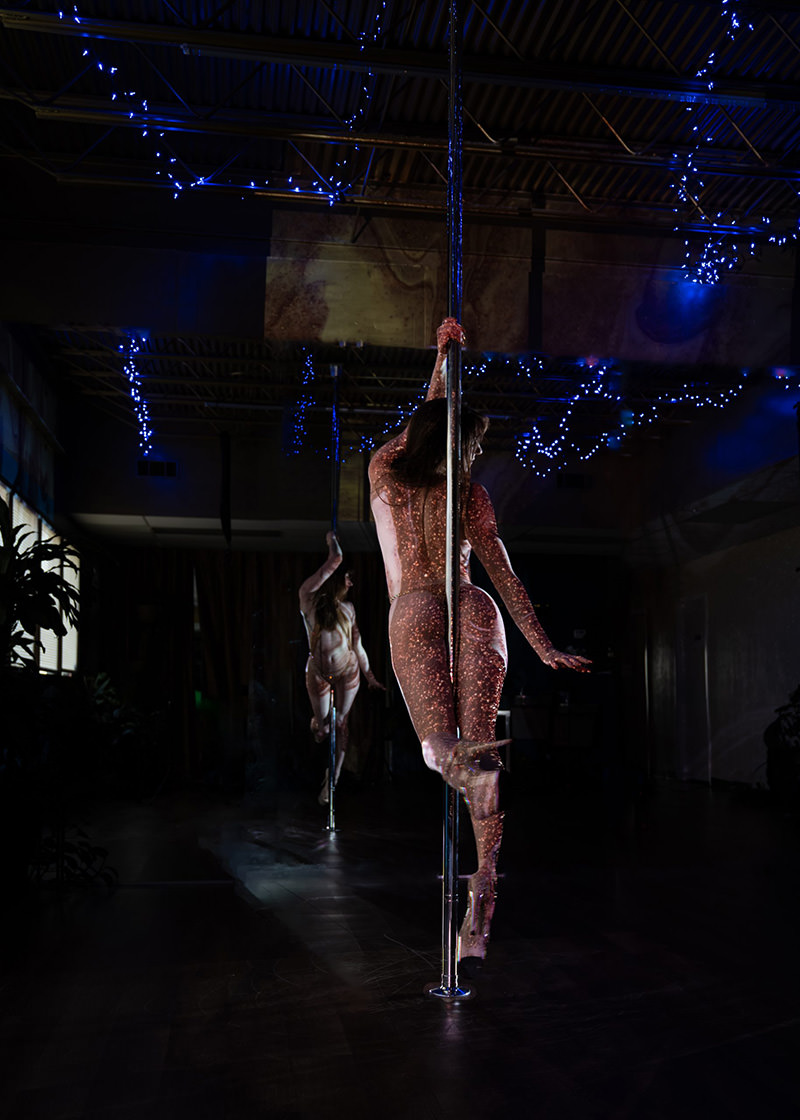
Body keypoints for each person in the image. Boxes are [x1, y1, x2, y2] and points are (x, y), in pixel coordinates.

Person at [368, 317, 591, 961]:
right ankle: (485, 881)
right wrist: (543, 646)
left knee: (441, 747)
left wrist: (443, 360)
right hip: (473, 606)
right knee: (483, 749)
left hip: (414, 607)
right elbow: (505, 576)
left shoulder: (385, 471)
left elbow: (428, 413)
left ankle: (460, 771)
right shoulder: (469, 495)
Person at [299, 531, 385, 804]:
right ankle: (318, 725)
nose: (350, 583)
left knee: (340, 723)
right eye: (347, 578)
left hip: (347, 669)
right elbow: (334, 561)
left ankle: (332, 780)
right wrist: (333, 548)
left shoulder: (348, 609)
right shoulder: (308, 598)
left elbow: (358, 646)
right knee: (323, 730)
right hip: (318, 671)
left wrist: (370, 676)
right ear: (335, 578)